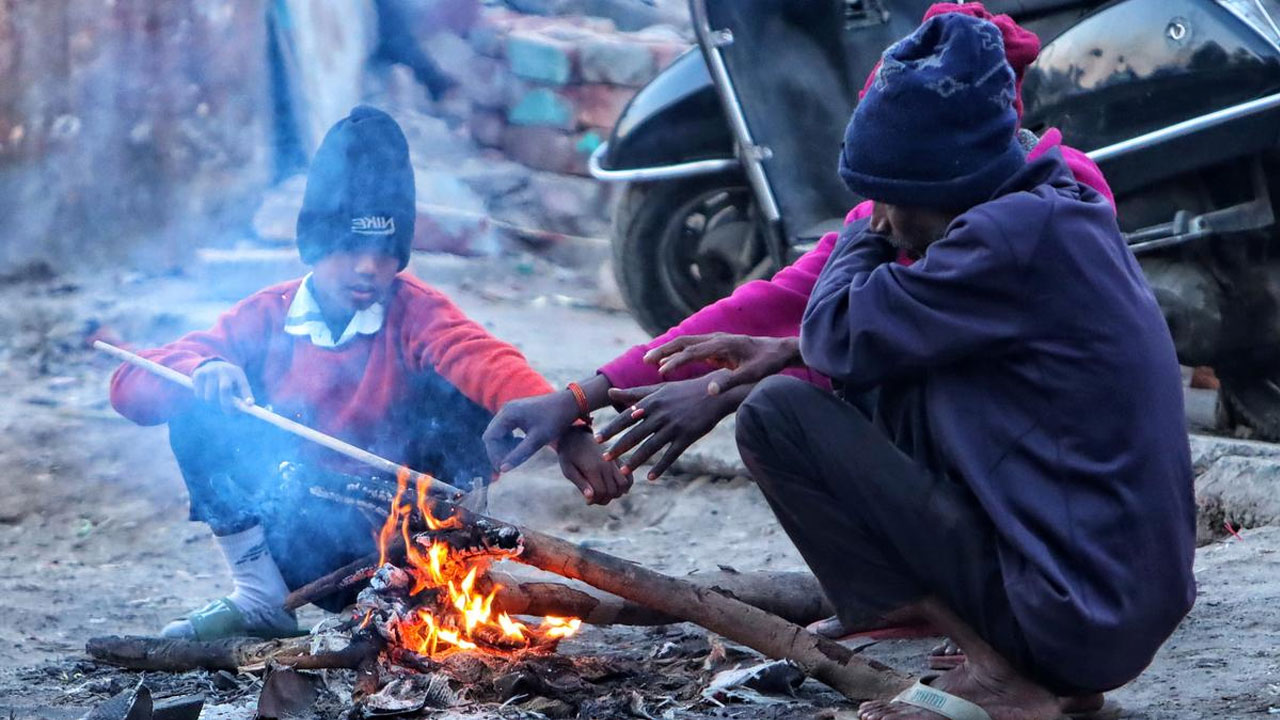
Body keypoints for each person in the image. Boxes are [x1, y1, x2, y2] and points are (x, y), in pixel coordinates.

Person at [736, 14, 1194, 719]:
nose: (885, 221)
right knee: (894, 384)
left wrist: (860, 228)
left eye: (893, 199)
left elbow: (831, 334)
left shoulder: (1005, 238)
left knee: (776, 416)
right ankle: (1040, 669)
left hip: (1074, 615)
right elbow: (861, 344)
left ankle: (1001, 675)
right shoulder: (1050, 212)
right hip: (1108, 607)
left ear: (954, 182)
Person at [484, 1, 1113, 500]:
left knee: (820, 408)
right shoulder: (902, 212)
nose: (876, 217)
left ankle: (981, 598)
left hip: (1066, 494)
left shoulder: (1044, 216)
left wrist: (723, 392)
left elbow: (901, 355)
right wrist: (577, 398)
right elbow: (767, 306)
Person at [109, 106, 613, 640]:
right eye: (351, 248)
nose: (370, 268)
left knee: (463, 394)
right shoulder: (265, 315)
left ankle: (431, 596)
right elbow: (128, 387)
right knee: (196, 404)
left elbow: (488, 362)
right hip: (299, 533)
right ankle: (260, 600)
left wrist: (568, 428)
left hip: (398, 537)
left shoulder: (417, 311)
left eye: (385, 251)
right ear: (315, 245)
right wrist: (204, 370)